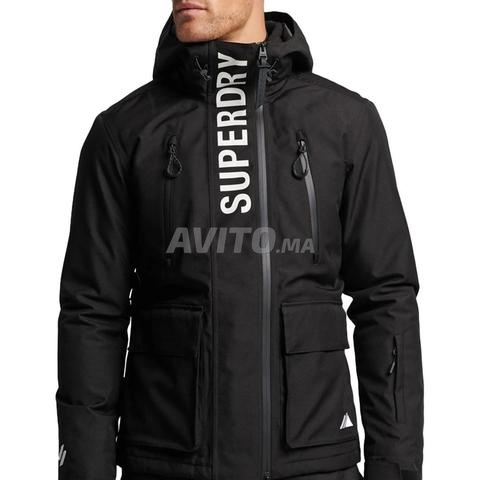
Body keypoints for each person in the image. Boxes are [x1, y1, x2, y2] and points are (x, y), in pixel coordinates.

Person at [56, 1, 423, 480]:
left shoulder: (345, 123)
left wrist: (394, 469)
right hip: (169, 463)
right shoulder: (124, 132)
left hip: (312, 462)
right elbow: (92, 312)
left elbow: (387, 300)